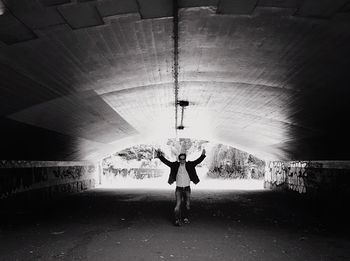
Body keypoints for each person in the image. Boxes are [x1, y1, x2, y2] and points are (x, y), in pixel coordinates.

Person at [156, 148, 206, 226]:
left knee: (187, 205)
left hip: (187, 188)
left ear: (185, 159)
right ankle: (177, 220)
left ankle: (185, 218)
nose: (182, 160)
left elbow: (197, 161)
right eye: (181, 159)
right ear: (179, 159)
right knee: (178, 205)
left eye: (183, 159)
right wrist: (160, 156)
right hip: (178, 188)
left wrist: (203, 155)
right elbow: (166, 162)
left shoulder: (190, 165)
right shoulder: (175, 165)